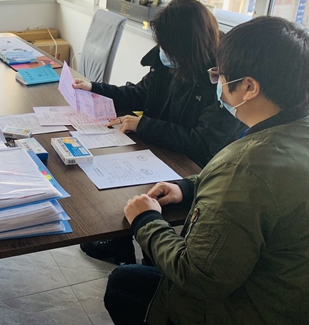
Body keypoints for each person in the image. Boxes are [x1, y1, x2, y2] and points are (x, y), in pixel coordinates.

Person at [104, 16, 309, 325]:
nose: (217, 83)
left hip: (244, 310)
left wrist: (146, 221)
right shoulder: (291, 132)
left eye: (220, 75)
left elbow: (198, 276)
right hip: (285, 293)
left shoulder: (246, 167)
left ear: (249, 87)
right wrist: (188, 187)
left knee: (124, 284)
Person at [74, 0, 245, 264]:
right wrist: (95, 88)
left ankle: (150, 256)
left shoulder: (220, 80)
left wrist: (144, 125)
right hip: (160, 148)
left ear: (185, 46)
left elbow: (203, 144)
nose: (162, 50)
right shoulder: (167, 63)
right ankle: (120, 243)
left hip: (191, 165)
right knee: (107, 167)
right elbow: (139, 94)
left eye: (167, 45)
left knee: (125, 177)